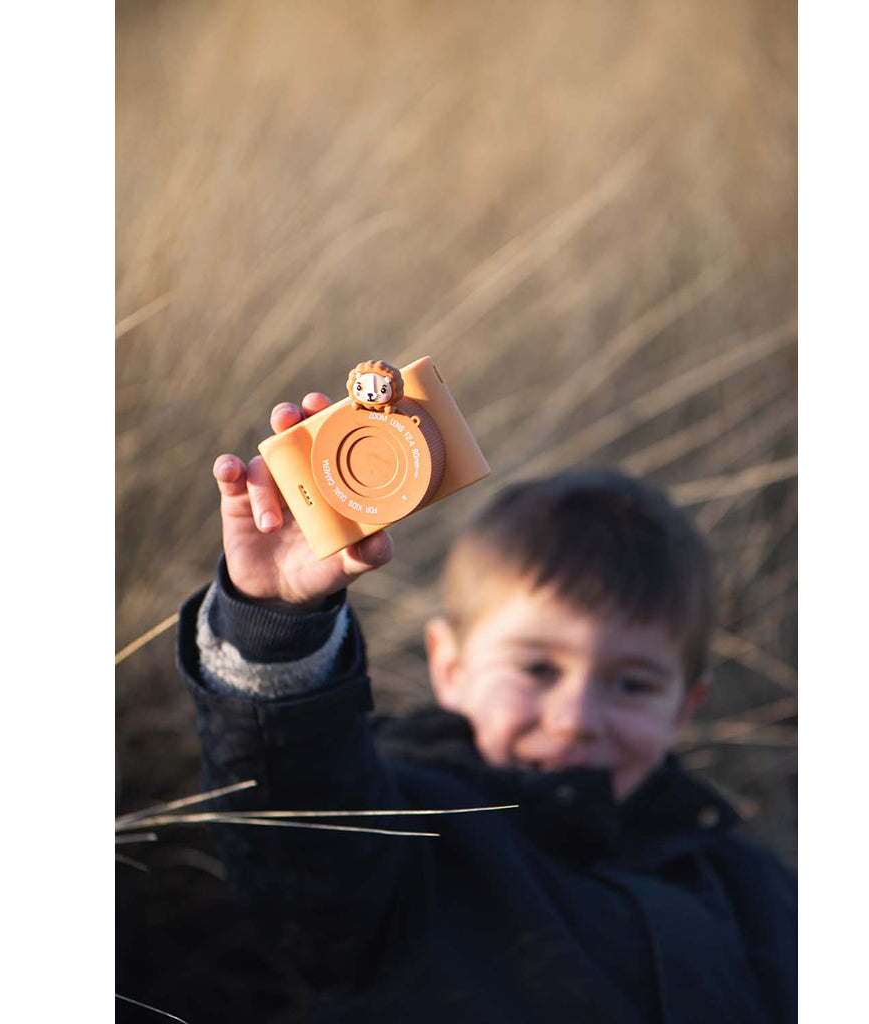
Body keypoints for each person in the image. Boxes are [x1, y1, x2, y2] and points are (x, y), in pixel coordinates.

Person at [177, 393, 797, 1024]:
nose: (576, 718)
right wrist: (274, 624)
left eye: (633, 685)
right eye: (537, 669)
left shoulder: (751, 890)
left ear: (685, 706)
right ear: (450, 667)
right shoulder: (397, 830)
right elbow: (292, 830)